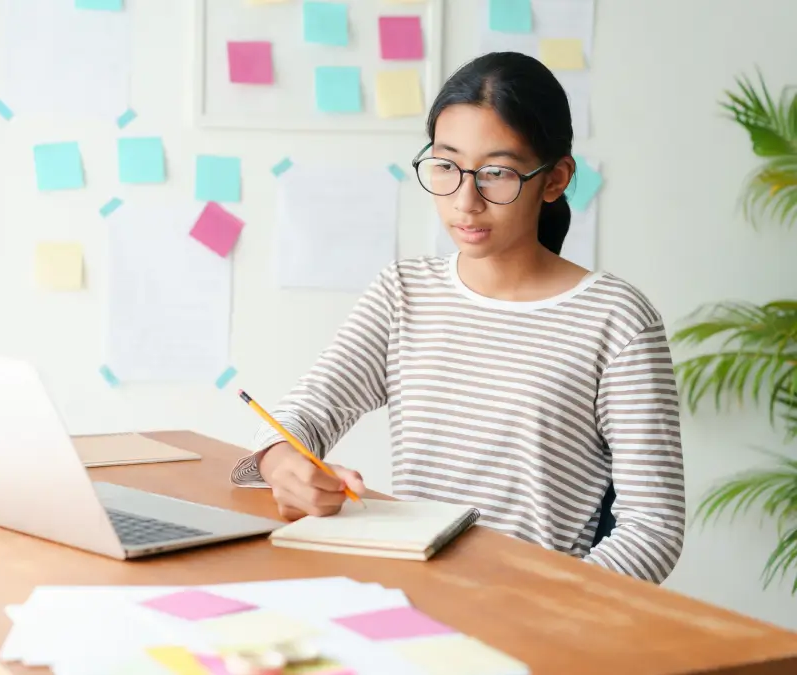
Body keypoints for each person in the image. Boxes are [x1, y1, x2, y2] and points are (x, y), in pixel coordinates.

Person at [231, 52, 685, 584]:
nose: (465, 201)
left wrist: (555, 605)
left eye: (496, 173)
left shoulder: (616, 320)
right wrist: (282, 462)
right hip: (406, 593)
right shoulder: (404, 292)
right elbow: (306, 413)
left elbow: (653, 527)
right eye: (446, 166)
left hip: (533, 619)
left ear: (556, 179)